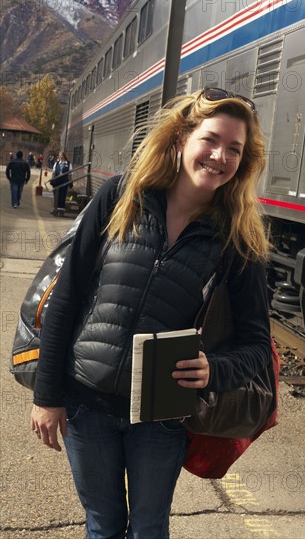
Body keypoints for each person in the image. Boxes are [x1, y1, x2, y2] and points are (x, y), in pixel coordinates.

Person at [30, 88, 272, 538]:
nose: (220, 156)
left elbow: (258, 347)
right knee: (102, 525)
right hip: (87, 402)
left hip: (161, 418)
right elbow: (67, 297)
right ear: (181, 138)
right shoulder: (122, 195)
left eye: (234, 150)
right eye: (211, 140)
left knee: (148, 528)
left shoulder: (238, 240)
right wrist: (48, 395)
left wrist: (213, 371)